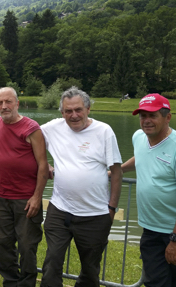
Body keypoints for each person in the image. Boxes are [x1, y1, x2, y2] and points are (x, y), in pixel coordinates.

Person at [40, 86, 123, 287]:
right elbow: (27, 142)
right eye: (68, 111)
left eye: (78, 110)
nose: (74, 115)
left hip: (95, 215)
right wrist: (44, 163)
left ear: (88, 109)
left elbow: (117, 172)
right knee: (51, 263)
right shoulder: (51, 128)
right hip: (59, 211)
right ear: (62, 113)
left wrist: (111, 209)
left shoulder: (104, 131)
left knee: (90, 269)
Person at [120, 94, 176, 287]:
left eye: (153, 116)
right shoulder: (139, 137)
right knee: (155, 282)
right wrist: (117, 170)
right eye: (142, 115)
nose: (146, 121)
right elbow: (142, 156)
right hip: (151, 228)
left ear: (167, 117)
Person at [0, 87, 48, 287]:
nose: (3, 106)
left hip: (26, 198)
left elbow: (43, 164)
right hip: (1, 196)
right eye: (0, 103)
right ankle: (10, 282)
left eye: (8, 102)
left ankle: (26, 284)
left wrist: (37, 197)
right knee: (3, 243)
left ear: (17, 103)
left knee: (27, 246)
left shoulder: (31, 128)